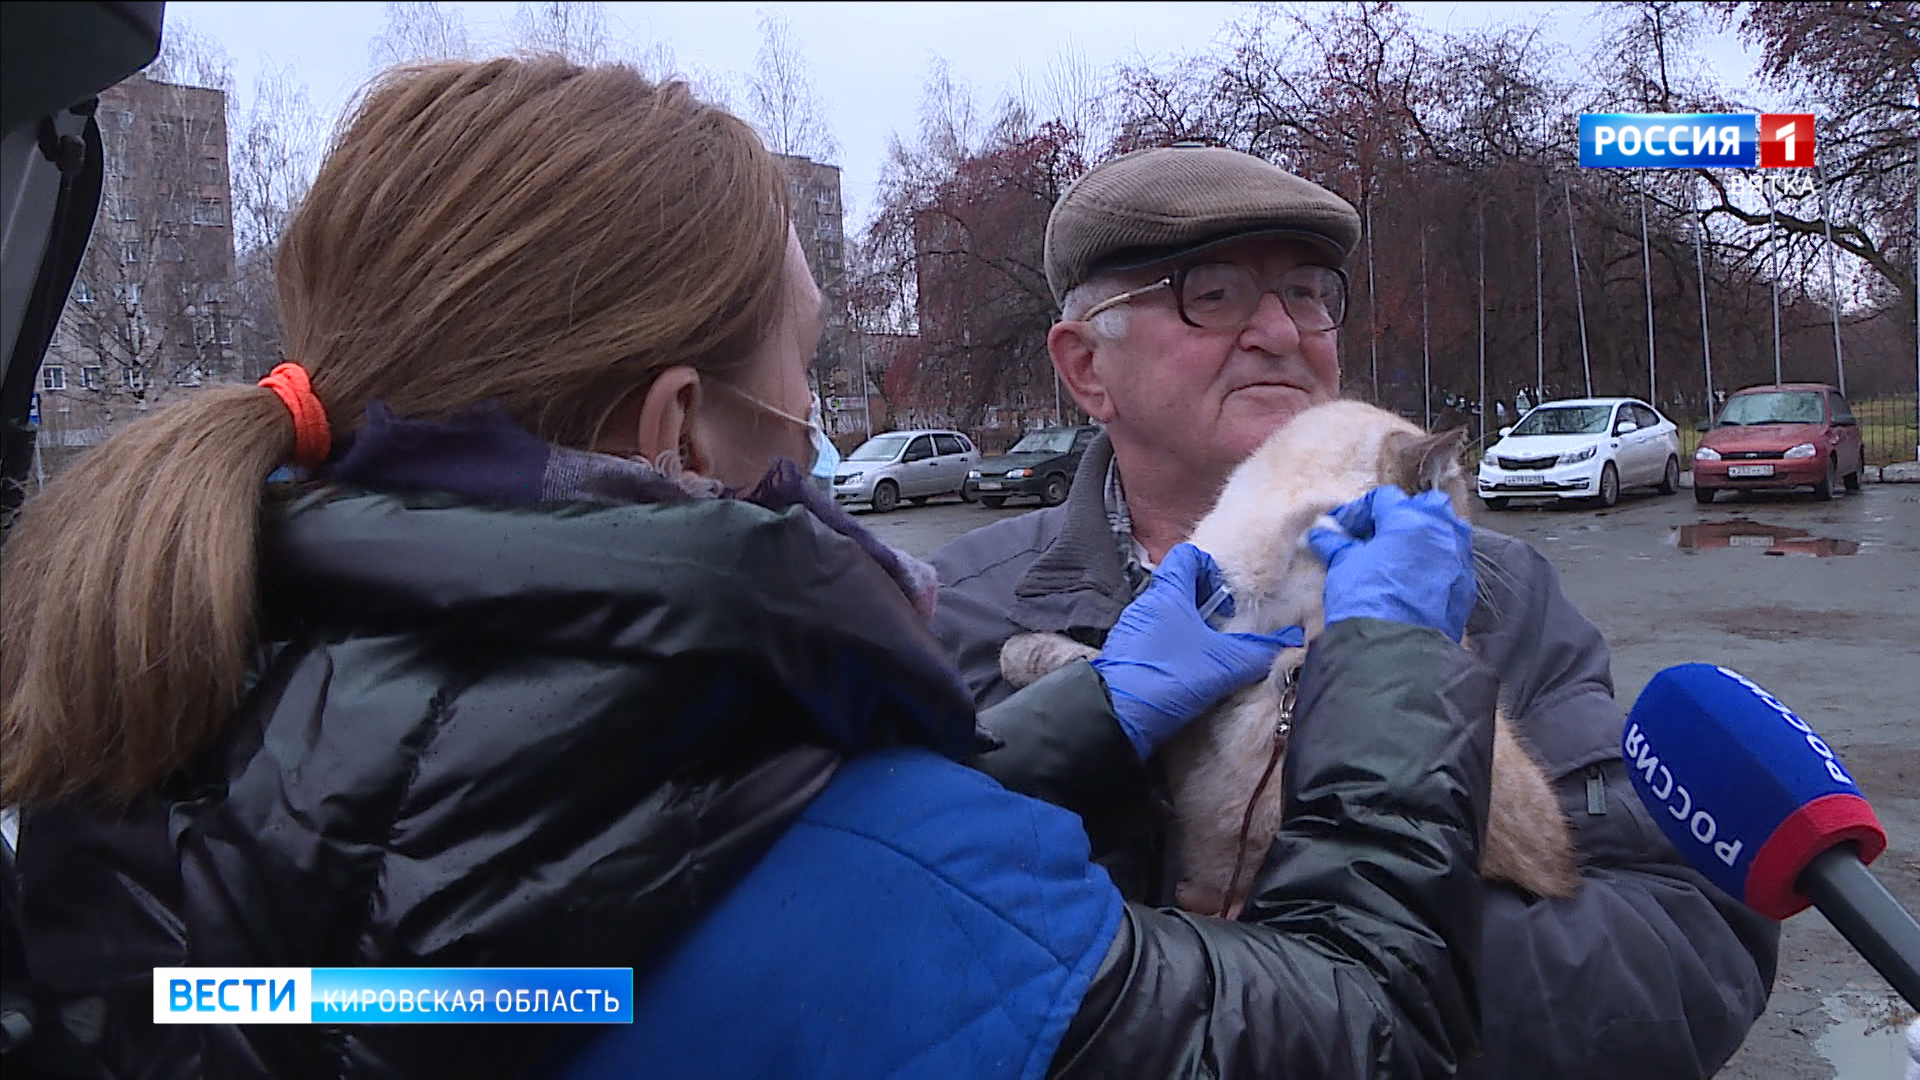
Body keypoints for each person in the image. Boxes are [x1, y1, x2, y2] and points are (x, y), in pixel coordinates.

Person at [2, 58, 1499, 1079]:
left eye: (1305, 295)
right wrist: (1394, 661)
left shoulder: (170, 705)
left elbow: (596, 854)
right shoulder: (879, 879)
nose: (818, 422)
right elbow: (1365, 1029)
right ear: (675, 432)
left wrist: (1100, 707)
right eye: (802, 367)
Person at [931, 144, 1780, 1080]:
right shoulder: (970, 606)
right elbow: (900, 935)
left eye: (1307, 292)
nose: (1282, 331)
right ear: (1087, 367)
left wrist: (1314, 989)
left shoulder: (1495, 589)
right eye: (1211, 293)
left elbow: (1679, 955)